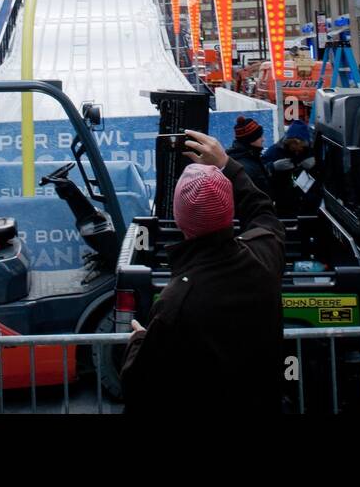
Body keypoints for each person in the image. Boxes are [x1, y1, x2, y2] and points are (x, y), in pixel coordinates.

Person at [121, 131, 285, 414]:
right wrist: (227, 164)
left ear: (180, 218)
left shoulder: (175, 303)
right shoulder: (264, 257)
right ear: (230, 210)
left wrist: (138, 342)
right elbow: (263, 212)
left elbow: (138, 385)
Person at [261, 120, 318, 218]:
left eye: (300, 146)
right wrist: (273, 167)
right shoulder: (275, 151)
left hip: (308, 203)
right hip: (283, 202)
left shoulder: (311, 152)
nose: (296, 149)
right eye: (293, 145)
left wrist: (314, 166)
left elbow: (324, 174)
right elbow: (259, 171)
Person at [226, 115, 271, 195]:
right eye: (259, 136)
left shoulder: (250, 155)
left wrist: (272, 167)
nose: (263, 139)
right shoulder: (244, 166)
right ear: (250, 140)